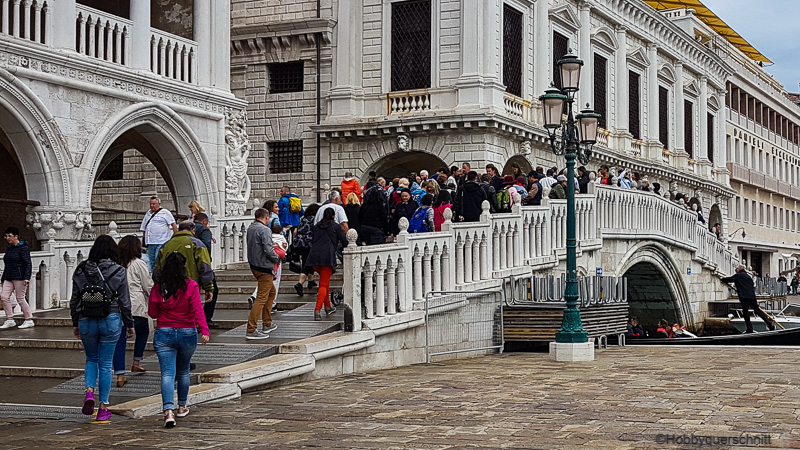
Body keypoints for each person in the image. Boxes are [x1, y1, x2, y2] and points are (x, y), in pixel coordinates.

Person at [70, 235, 133, 423]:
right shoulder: (119, 270)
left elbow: (74, 300)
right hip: (111, 319)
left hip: (86, 319)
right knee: (106, 365)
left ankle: (89, 391)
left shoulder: (81, 269)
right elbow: (125, 302)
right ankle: (103, 407)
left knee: (91, 359)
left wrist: (76, 323)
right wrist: (129, 324)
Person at [148, 252, 209, 428]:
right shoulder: (190, 285)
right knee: (183, 371)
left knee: (167, 373)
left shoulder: (159, 288)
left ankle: (168, 411)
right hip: (187, 332)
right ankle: (182, 406)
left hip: (164, 331)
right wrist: (204, 329)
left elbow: (152, 313)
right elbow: (198, 309)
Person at [113, 235, 154, 388]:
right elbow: (147, 284)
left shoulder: (116, 264)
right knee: (143, 331)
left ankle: (120, 374)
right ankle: (136, 361)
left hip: (118, 305)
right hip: (135, 304)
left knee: (120, 340)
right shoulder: (139, 263)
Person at [153, 221, 215, 314]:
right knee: (190, 313)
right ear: (193, 231)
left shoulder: (166, 245)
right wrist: (208, 288)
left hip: (170, 285)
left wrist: (158, 285)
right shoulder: (197, 244)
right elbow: (204, 266)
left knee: (173, 313)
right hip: (191, 286)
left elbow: (158, 268)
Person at [306, 208, 348, 321]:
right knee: (323, 284)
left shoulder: (317, 226)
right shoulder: (336, 226)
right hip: (327, 257)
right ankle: (317, 309)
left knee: (325, 282)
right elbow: (344, 241)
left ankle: (328, 306)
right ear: (334, 216)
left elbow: (311, 238)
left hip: (314, 256)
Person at [245, 208, 281, 339]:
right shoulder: (265, 230)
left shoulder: (251, 228)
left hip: (254, 265)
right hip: (264, 267)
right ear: (266, 217)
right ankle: (251, 329)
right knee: (261, 297)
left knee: (271, 292)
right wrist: (278, 257)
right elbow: (268, 249)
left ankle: (267, 322)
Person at [721, 265, 776, 333]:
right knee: (757, 310)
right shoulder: (748, 277)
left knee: (745, 312)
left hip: (744, 297)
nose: (736, 270)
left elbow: (729, 279)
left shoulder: (738, 276)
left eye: (736, 269)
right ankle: (769, 323)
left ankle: (749, 329)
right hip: (752, 296)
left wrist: (722, 279)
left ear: (739, 270)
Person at [0, 227, 34, 329]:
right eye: (6, 236)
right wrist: (3, 278)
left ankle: (29, 319)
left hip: (19, 277)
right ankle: (10, 319)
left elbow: (28, 263)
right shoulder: (10, 248)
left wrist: (26, 277)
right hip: (9, 276)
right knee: (4, 296)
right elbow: (7, 264)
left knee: (20, 298)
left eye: (10, 236)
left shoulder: (23, 248)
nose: (7, 238)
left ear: (16, 236)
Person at [192, 213, 219, 326]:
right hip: (203, 264)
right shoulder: (204, 230)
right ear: (204, 221)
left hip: (190, 265)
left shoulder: (190, 229)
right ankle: (206, 318)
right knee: (213, 290)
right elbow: (206, 246)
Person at [141, 196, 178, 273]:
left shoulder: (165, 212)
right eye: (151, 204)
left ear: (159, 204)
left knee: (159, 260)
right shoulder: (148, 214)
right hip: (150, 242)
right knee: (151, 261)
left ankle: (159, 276)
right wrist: (143, 240)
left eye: (154, 204)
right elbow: (144, 228)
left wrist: (176, 236)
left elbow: (173, 224)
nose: (152, 206)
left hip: (162, 241)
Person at [291, 204, 320, 296]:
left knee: (306, 260)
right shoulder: (314, 219)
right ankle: (300, 283)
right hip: (309, 243)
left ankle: (311, 280)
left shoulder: (303, 218)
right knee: (308, 263)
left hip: (299, 243)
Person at [271, 222, 288, 296]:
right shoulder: (281, 237)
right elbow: (285, 245)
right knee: (277, 264)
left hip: (274, 251)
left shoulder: (271, 236)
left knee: (275, 264)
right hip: (281, 252)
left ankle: (274, 272)